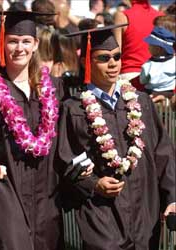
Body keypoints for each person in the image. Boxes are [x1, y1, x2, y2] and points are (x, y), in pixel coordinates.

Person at [0, 11, 78, 250]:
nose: (19, 48)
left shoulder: (54, 88)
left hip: (46, 193)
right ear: (2, 43)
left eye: (25, 41)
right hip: (2, 189)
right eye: (12, 40)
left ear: (35, 45)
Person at [60, 24, 176, 250]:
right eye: (103, 58)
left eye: (116, 56)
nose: (113, 63)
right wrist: (93, 183)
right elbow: (66, 160)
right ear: (86, 62)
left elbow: (163, 153)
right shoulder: (73, 109)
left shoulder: (141, 102)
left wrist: (172, 197)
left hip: (145, 210)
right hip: (101, 213)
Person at [113, 0, 163, 90]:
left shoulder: (121, 16)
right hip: (156, 77)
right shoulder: (160, 16)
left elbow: (116, 51)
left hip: (129, 76)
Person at [140, 26, 175, 98]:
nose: (148, 47)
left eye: (150, 45)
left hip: (151, 95)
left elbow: (142, 81)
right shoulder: (174, 61)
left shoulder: (147, 65)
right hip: (170, 95)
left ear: (158, 49)